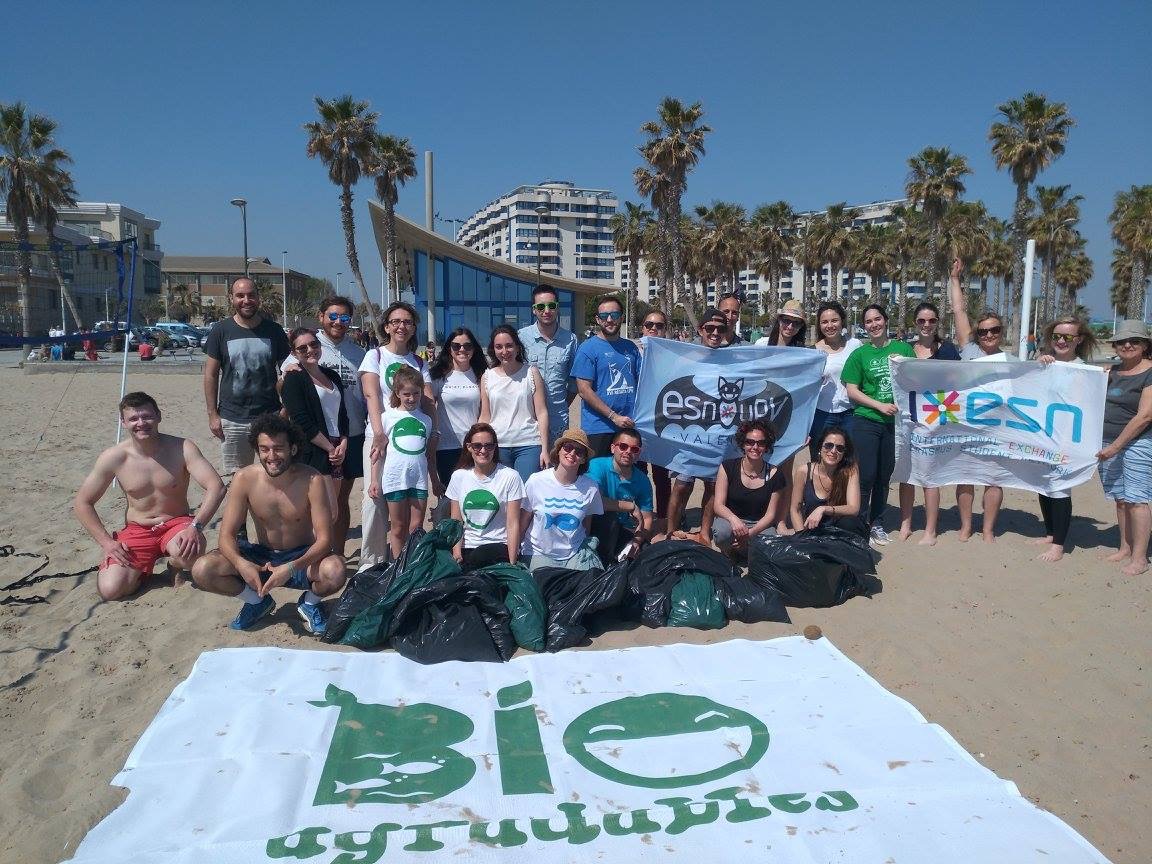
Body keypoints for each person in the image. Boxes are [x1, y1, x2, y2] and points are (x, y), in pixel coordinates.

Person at [190, 413, 346, 634]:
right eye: (264, 449)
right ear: (257, 449)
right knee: (203, 569)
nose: (271, 456)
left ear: (292, 449)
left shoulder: (312, 479)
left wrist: (291, 567)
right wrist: (242, 564)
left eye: (278, 448)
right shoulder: (244, 478)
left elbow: (324, 540)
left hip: (301, 557)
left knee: (336, 571)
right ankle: (256, 602)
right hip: (261, 556)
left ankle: (309, 603)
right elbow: (227, 534)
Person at [73, 392, 225, 601]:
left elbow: (216, 486)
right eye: (133, 419)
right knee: (111, 590)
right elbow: (83, 503)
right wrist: (107, 543)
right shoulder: (114, 457)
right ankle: (141, 571)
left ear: (159, 416)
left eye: (147, 416)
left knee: (190, 554)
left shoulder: (181, 448)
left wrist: (195, 527)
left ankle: (175, 564)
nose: (141, 423)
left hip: (176, 524)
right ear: (123, 422)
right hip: (138, 529)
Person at [283, 296, 368, 555]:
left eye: (344, 318)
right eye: (333, 316)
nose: (338, 322)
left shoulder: (359, 352)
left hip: (350, 435)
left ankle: (337, 553)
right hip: (315, 440)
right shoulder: (302, 352)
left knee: (340, 501)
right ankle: (309, 556)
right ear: (321, 316)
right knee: (313, 502)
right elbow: (287, 390)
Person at [358, 301, 435, 569]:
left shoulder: (417, 360)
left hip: (411, 435)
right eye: (396, 321)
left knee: (407, 515)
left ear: (414, 328)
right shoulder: (375, 356)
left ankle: (403, 564)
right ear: (387, 326)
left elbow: (426, 399)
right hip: (380, 433)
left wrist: (431, 431)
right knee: (375, 501)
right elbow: (372, 395)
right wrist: (379, 432)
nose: (401, 326)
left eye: (407, 322)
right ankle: (371, 562)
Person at [897, 263, 964, 544]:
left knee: (931, 474)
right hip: (908, 419)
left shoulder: (947, 350)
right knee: (907, 473)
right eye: (922, 321)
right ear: (915, 323)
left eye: (932, 321)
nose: (927, 325)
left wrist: (954, 279)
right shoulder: (904, 350)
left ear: (937, 323)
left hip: (938, 419)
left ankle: (931, 529)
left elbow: (962, 380)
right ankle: (906, 523)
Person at [841, 302, 915, 547]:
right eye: (868, 321)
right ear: (864, 326)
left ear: (886, 320)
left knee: (885, 477)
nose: (874, 325)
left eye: (877, 319)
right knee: (865, 476)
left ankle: (877, 523)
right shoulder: (860, 354)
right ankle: (859, 525)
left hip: (895, 424)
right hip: (866, 419)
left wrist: (902, 364)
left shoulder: (903, 348)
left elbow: (916, 379)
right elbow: (852, 390)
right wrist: (878, 405)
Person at [202, 277, 291, 475]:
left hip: (270, 415)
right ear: (231, 299)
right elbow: (210, 374)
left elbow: (288, 372)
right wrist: (212, 414)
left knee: (272, 474)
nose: (246, 300)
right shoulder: (221, 330)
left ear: (258, 298)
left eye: (251, 295)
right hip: (232, 418)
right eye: (240, 296)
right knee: (238, 479)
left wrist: (286, 409)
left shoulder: (274, 331)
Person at [953, 261, 1014, 541]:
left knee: (994, 478)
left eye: (994, 330)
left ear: (1001, 332)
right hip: (967, 423)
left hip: (998, 427)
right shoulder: (969, 349)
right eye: (984, 331)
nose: (989, 335)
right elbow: (959, 311)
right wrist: (955, 278)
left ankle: (988, 528)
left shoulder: (1013, 361)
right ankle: (966, 525)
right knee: (965, 476)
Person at [1032, 316, 1097, 562]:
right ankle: (1050, 532)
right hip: (1043, 436)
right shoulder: (1046, 363)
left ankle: (1058, 545)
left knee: (1060, 488)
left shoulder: (1084, 370)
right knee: (1044, 485)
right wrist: (1038, 366)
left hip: (1068, 439)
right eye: (1057, 336)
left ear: (1078, 340)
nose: (1061, 341)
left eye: (1068, 337)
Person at [664, 308, 729, 544]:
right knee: (681, 486)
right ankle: (671, 532)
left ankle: (704, 531)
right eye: (709, 328)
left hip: (718, 434)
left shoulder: (731, 359)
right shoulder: (685, 357)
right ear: (700, 329)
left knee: (712, 486)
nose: (714, 333)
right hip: (689, 433)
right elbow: (669, 387)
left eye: (720, 329)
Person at [1096, 320, 1152, 576]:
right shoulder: (1111, 372)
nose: (1127, 345)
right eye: (1121, 342)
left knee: (1137, 500)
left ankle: (1140, 558)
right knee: (1120, 499)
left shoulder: (1150, 373)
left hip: (1138, 444)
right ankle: (1125, 547)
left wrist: (1117, 447)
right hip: (1108, 444)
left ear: (1144, 345)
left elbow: (1145, 416)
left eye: (1134, 341)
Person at [367, 365, 438, 562]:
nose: (411, 398)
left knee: (416, 527)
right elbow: (377, 454)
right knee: (397, 527)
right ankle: (397, 567)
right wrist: (374, 480)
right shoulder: (386, 418)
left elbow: (429, 456)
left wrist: (435, 479)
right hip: (394, 479)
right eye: (406, 394)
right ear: (397, 393)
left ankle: (413, 565)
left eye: (416, 393)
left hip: (419, 481)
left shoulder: (426, 420)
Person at [280, 327, 348, 528]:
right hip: (314, 449)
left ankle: (322, 555)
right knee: (320, 514)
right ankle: (312, 557)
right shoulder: (294, 378)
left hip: (337, 447)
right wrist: (329, 448)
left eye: (314, 344)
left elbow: (342, 414)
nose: (310, 350)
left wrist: (343, 443)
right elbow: (301, 420)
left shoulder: (332, 375)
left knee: (331, 513)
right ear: (294, 353)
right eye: (302, 348)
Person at [520, 428, 604, 570]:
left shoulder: (591, 487)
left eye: (579, 452)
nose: (572, 453)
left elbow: (586, 525)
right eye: (568, 447)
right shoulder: (536, 481)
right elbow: (523, 521)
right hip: (539, 553)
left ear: (583, 459)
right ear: (558, 450)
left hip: (574, 553)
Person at [446, 423, 525, 568]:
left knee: (481, 556)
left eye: (489, 446)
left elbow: (513, 523)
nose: (483, 450)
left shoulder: (510, 476)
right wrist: (456, 554)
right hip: (467, 546)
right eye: (477, 446)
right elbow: (456, 521)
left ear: (495, 448)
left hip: (498, 546)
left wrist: (512, 562)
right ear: (469, 447)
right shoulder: (459, 476)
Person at [572, 295, 642, 457]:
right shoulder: (587, 349)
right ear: (597, 319)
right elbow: (584, 390)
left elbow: (642, 382)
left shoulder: (630, 348)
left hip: (629, 425)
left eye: (615, 315)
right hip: (599, 427)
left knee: (628, 477)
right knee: (599, 476)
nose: (609, 320)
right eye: (604, 316)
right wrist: (614, 416)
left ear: (622, 317)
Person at [479, 325, 549, 482]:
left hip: (529, 444)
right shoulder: (487, 377)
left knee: (526, 495)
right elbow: (485, 415)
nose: (504, 351)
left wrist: (545, 449)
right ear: (493, 350)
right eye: (499, 347)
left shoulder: (531, 372)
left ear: (517, 347)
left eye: (509, 345)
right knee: (502, 496)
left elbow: (542, 412)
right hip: (497, 445)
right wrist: (479, 444)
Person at [711, 420, 788, 559]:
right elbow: (718, 505)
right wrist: (734, 520)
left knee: (771, 544)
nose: (755, 447)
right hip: (732, 520)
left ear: (767, 446)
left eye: (761, 443)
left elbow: (771, 515)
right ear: (743, 444)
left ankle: (748, 553)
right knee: (722, 533)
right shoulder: (727, 467)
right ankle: (730, 552)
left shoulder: (775, 474)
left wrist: (749, 534)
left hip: (759, 524)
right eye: (750, 442)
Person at [519, 284, 578, 448]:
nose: (546, 311)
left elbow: (573, 382)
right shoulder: (521, 338)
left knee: (555, 469)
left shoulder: (571, 340)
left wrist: (562, 403)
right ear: (533, 310)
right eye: (540, 306)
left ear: (557, 308)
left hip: (558, 420)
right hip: (528, 419)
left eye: (551, 306)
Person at [586, 428, 654, 563]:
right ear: (613, 448)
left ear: (638, 454)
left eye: (634, 449)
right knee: (609, 519)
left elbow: (647, 519)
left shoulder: (643, 480)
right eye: (623, 446)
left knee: (648, 553)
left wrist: (636, 542)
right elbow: (594, 501)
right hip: (597, 526)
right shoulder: (597, 465)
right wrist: (630, 506)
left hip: (625, 530)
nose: (628, 452)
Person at [430, 327, 486, 489]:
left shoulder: (482, 374)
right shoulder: (438, 375)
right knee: (452, 494)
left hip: (473, 445)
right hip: (445, 446)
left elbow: (485, 409)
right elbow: (429, 407)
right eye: (457, 346)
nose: (462, 350)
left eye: (467, 346)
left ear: (474, 349)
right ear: (449, 348)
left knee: (474, 493)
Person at [809, 301, 862, 459]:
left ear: (842, 322)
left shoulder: (855, 345)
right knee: (820, 459)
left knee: (849, 460)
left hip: (850, 413)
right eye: (824, 322)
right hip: (822, 415)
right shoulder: (813, 352)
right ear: (819, 325)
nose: (830, 325)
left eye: (834, 320)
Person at [635, 309, 672, 531]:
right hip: (637, 422)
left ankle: (665, 517)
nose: (653, 329)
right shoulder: (633, 350)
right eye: (649, 324)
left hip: (661, 422)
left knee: (661, 474)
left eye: (659, 325)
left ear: (665, 329)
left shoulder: (672, 353)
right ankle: (638, 515)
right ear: (642, 327)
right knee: (637, 471)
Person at [790, 427, 864, 536]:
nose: (833, 451)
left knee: (850, 523)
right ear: (820, 447)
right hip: (813, 529)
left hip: (840, 530)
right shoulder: (804, 471)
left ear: (844, 453)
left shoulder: (850, 471)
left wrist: (823, 509)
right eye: (829, 445)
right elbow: (795, 509)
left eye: (840, 448)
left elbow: (853, 508)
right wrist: (801, 536)